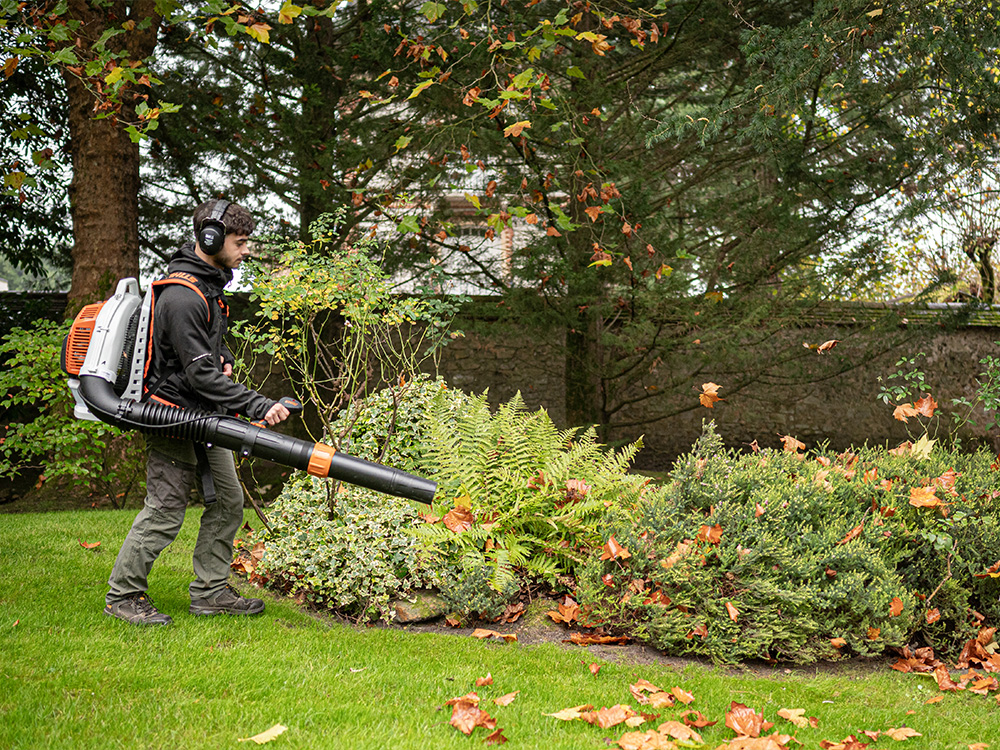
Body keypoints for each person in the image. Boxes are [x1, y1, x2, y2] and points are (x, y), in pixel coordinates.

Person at [104, 199, 290, 626]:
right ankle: (123, 594)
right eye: (240, 243)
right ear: (211, 238)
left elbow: (206, 354)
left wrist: (221, 356)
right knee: (166, 509)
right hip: (170, 416)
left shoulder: (207, 288)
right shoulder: (183, 296)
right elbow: (199, 375)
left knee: (228, 501)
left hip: (202, 414)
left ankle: (210, 591)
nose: (246, 251)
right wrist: (259, 405)